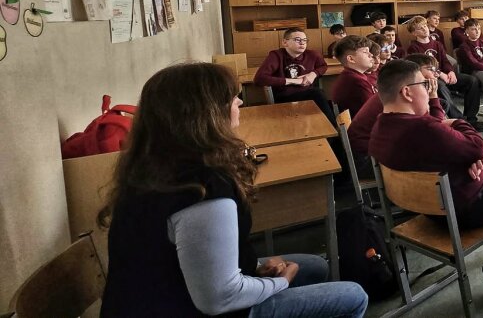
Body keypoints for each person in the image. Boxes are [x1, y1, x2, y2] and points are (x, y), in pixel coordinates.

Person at [99, 62, 368, 317]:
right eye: (231, 98)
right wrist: (279, 283)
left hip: (164, 294)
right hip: (189, 308)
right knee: (354, 295)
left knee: (315, 266)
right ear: (206, 113)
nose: (239, 102)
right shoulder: (202, 190)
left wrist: (253, 269)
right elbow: (219, 298)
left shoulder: (153, 165)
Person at [369, 59, 483, 294]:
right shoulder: (425, 130)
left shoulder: (381, 126)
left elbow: (438, 129)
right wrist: (459, 123)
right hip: (461, 206)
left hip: (433, 203)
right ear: (407, 92)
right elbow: (476, 145)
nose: (429, 89)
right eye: (425, 85)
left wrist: (471, 155)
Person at [408, 16, 483, 129]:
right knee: (441, 86)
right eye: (420, 28)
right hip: (430, 78)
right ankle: (459, 120)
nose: (424, 29)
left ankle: (471, 118)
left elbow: (445, 61)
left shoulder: (437, 44)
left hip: (444, 75)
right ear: (414, 33)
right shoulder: (413, 48)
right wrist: (440, 74)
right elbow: (422, 68)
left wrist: (450, 72)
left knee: (472, 81)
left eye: (425, 26)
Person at [253, 27, 335, 122]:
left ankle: (331, 127)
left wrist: (313, 74)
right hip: (285, 97)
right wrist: (294, 81)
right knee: (318, 94)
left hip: (307, 94)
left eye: (305, 40)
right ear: (285, 42)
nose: (302, 43)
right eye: (297, 40)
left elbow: (323, 66)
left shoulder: (313, 54)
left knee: (326, 99)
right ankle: (334, 128)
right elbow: (259, 78)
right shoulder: (276, 56)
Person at [330, 35, 377, 118]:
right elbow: (375, 111)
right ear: (351, 59)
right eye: (365, 52)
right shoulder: (357, 82)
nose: (371, 55)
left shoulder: (350, 76)